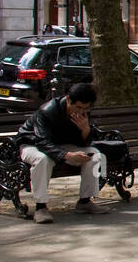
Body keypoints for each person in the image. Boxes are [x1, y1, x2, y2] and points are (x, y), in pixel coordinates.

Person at [15, 82, 108, 224]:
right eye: (77, 107)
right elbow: (42, 142)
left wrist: (85, 130)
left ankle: (85, 201)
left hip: (59, 144)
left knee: (94, 154)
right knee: (43, 160)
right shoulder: (47, 111)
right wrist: (68, 155)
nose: (80, 111)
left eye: (85, 108)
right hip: (31, 143)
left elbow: (84, 143)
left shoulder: (84, 113)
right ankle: (41, 207)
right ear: (68, 99)